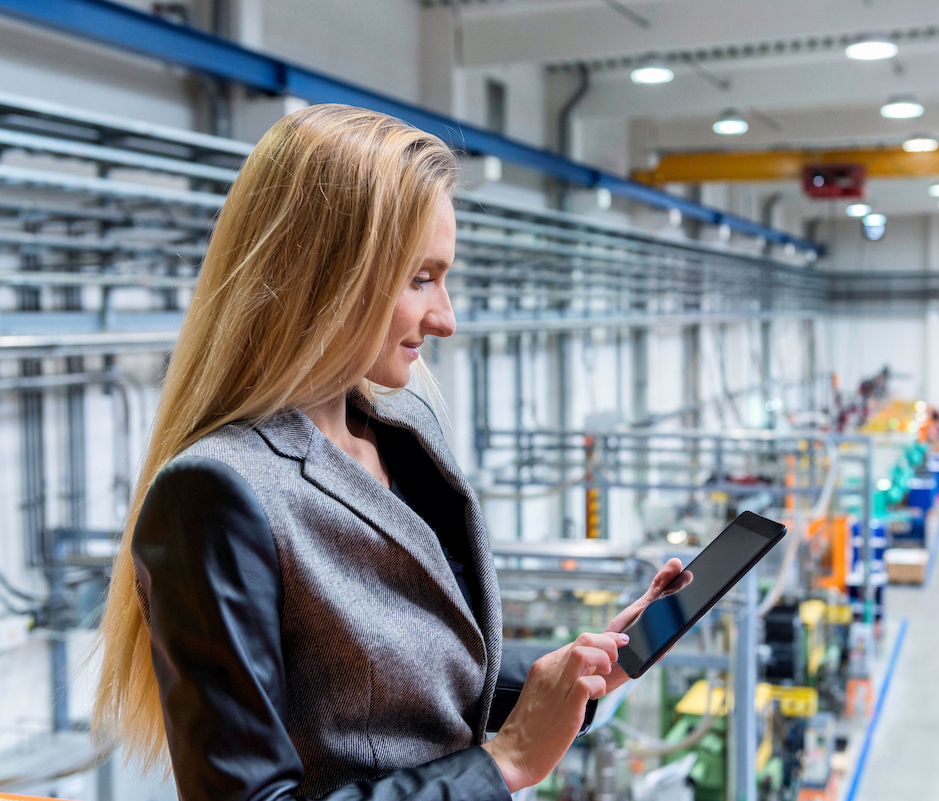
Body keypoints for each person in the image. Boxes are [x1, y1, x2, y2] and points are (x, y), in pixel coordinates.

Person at [95, 104, 688, 801]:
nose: (446, 316)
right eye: (421, 278)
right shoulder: (217, 494)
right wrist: (504, 763)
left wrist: (581, 669)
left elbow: (420, 677)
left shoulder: (404, 439)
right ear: (327, 274)